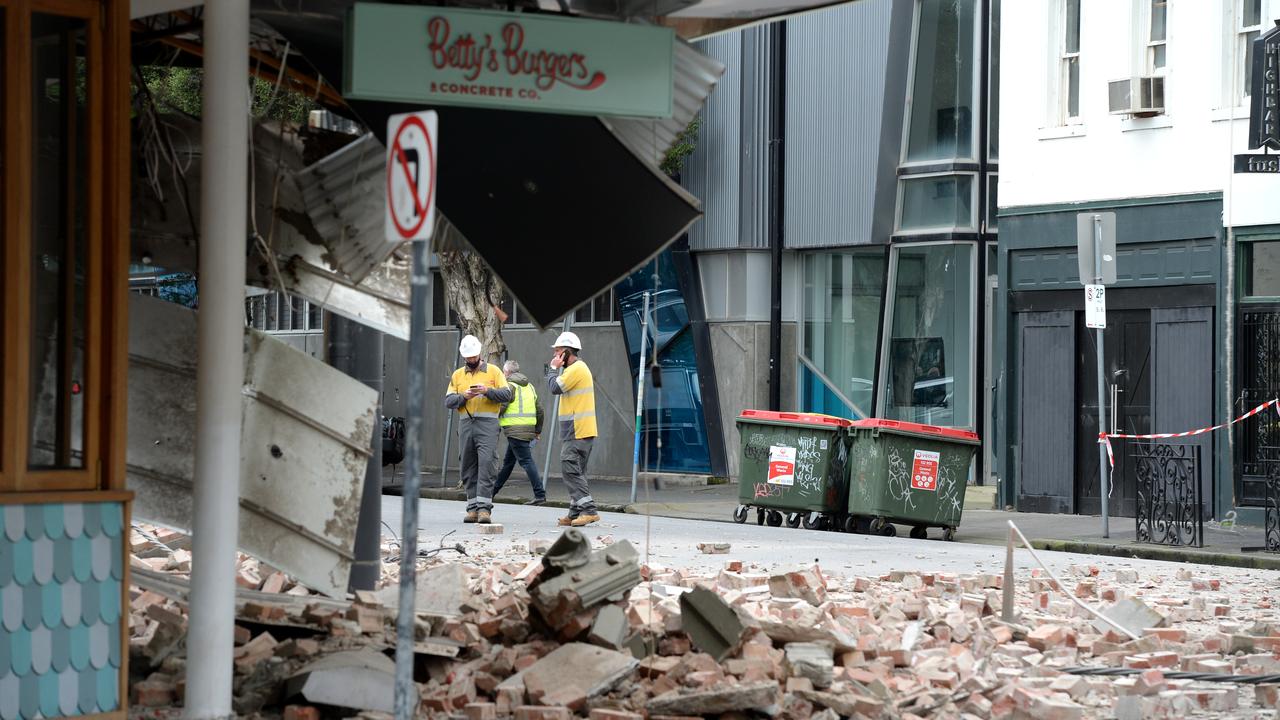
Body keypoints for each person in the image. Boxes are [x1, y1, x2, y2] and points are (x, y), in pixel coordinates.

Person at [444, 334, 513, 524]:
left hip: (488, 425)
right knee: (468, 465)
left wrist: (486, 391)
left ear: (479, 354)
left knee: (486, 464)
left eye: (473, 356)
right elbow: (448, 401)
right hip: (466, 424)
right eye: (468, 357)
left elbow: (507, 394)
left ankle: (484, 509)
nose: (471, 360)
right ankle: (472, 508)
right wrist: (464, 396)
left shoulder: (494, 371)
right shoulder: (458, 375)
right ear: (463, 356)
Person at [545, 331, 600, 527]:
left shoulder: (576, 369)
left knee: (569, 469)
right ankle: (575, 512)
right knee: (577, 471)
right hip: (579, 430)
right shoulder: (574, 369)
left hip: (578, 430)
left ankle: (589, 510)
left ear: (567, 352)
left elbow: (554, 387)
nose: (555, 355)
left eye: (558, 351)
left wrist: (552, 369)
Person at [492, 360, 547, 505]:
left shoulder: (509, 386)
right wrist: (537, 431)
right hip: (526, 430)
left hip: (515, 431)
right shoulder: (530, 387)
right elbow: (540, 410)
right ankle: (491, 493)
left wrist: (489, 416)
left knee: (526, 461)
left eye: (503, 372)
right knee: (508, 464)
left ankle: (540, 494)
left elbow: (502, 407)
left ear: (507, 373)